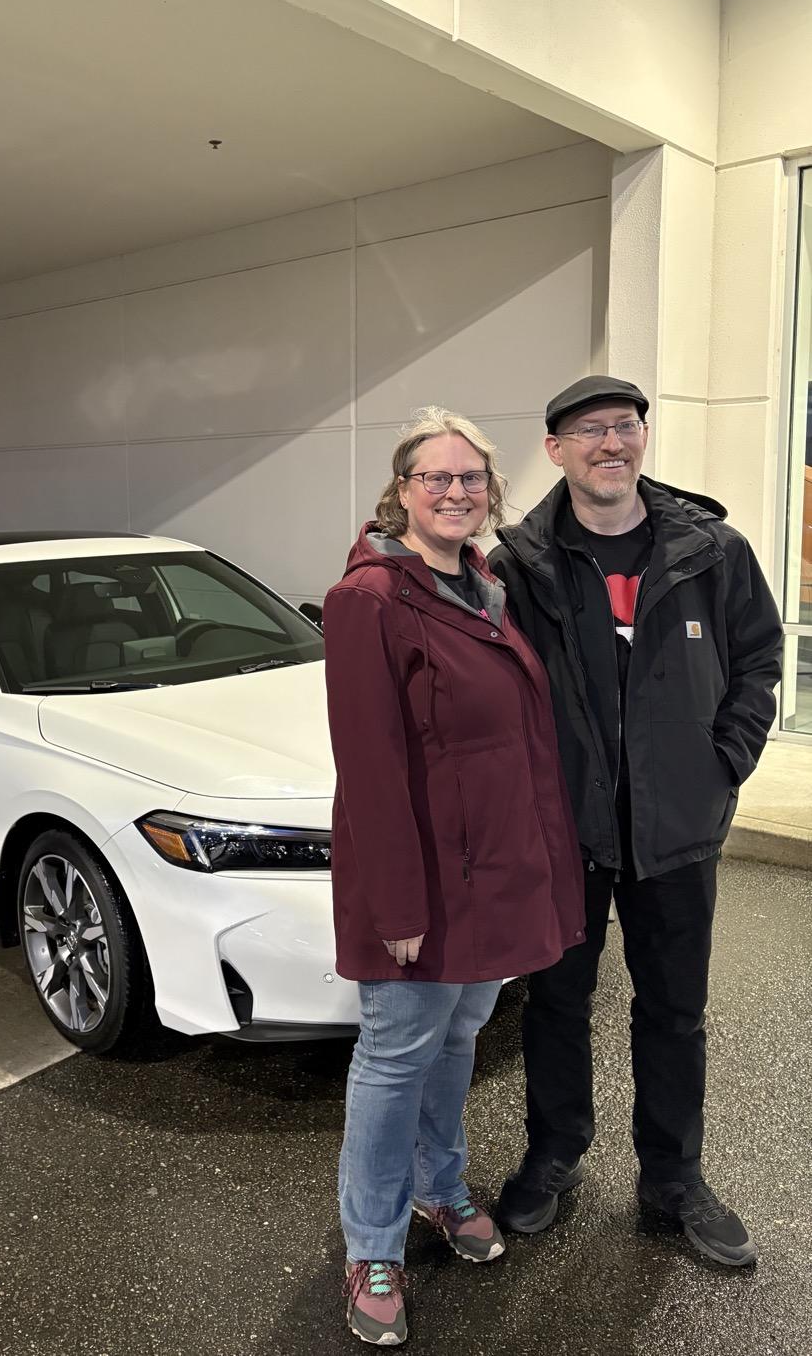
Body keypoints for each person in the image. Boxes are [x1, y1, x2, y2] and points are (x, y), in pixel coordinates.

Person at [488, 375, 783, 1268]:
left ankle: (672, 1176)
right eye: (588, 431)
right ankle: (553, 1155)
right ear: (556, 450)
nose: (609, 444)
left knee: (675, 1011)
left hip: (677, 831)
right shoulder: (520, 566)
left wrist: (719, 764)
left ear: (644, 437)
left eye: (624, 426)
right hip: (566, 831)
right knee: (557, 1003)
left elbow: (760, 659)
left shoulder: (710, 548)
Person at [323, 407, 586, 1346]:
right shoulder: (369, 601)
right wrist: (395, 901)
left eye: (471, 478)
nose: (455, 492)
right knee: (395, 1054)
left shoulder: (485, 584)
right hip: (423, 884)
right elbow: (371, 765)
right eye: (435, 477)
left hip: (495, 874)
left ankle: (439, 1189)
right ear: (401, 491)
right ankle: (372, 1244)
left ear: (491, 493)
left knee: (458, 1036)